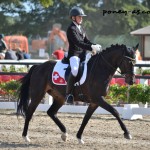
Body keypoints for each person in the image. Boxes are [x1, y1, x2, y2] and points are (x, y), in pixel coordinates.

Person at [65, 6, 103, 104]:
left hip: (83, 54)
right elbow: (78, 43)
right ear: (73, 18)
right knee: (74, 70)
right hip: (74, 55)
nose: (81, 18)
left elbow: (87, 41)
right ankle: (69, 94)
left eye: (82, 17)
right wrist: (91, 48)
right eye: (79, 17)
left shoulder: (81, 28)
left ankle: (85, 91)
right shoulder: (71, 29)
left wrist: (94, 45)